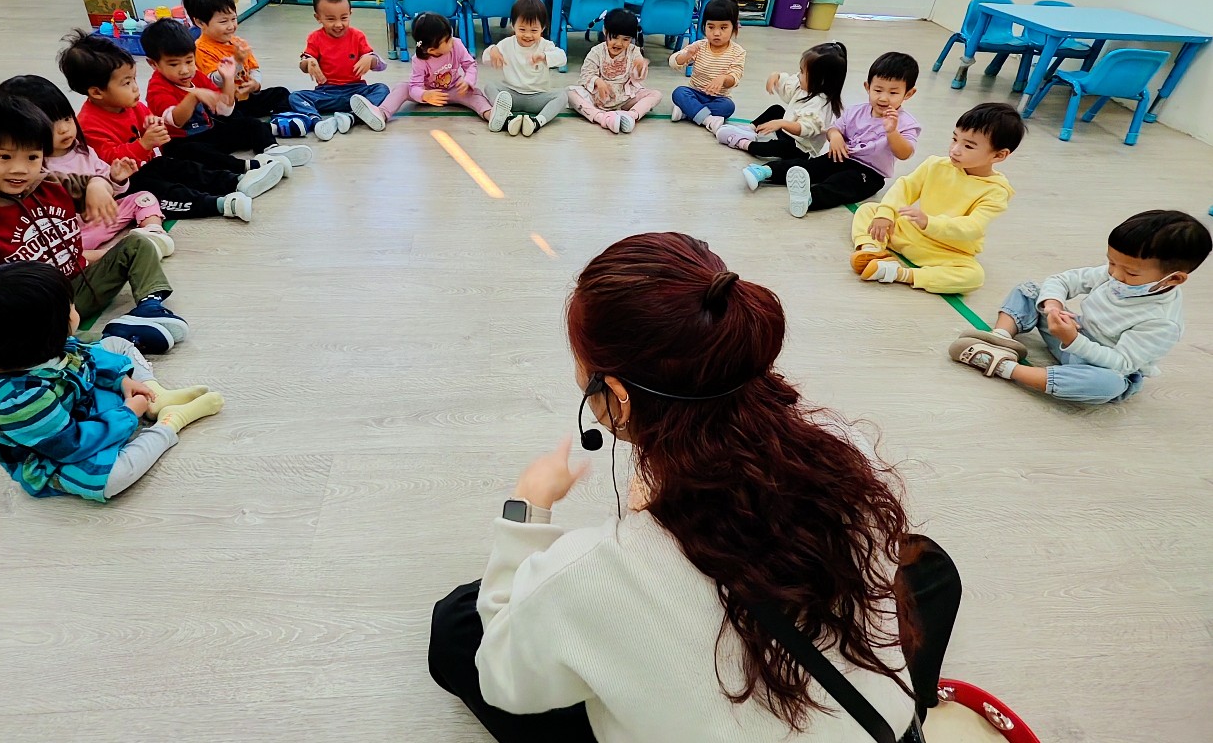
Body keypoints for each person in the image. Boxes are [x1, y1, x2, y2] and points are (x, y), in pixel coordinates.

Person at [428, 232, 929, 743]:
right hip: (883, 727)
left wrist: (528, 507)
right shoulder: (848, 452)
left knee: (459, 625)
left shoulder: (596, 570)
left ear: (616, 395)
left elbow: (503, 680)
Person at [0, 89, 188, 354]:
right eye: (4, 157)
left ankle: (149, 306)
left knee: (137, 244)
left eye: (33, 157)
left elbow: (92, 182)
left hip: (81, 286)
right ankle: (113, 340)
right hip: (35, 311)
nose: (20, 169)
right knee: (21, 337)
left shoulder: (49, 183)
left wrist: (97, 185)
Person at [0, 262, 224, 502]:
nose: (74, 308)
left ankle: (154, 396)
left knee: (115, 345)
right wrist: (128, 414)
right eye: (69, 306)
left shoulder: (24, 351)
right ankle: (169, 422)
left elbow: (83, 357)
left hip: (74, 403)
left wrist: (120, 381)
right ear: (44, 334)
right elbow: (72, 445)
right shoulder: (20, 403)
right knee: (111, 480)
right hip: (57, 453)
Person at [949, 210, 1211, 403]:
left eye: (1130, 273)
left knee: (1109, 386)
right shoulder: (1115, 273)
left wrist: (1073, 340)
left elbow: (1121, 363)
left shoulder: (1162, 322)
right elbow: (1062, 280)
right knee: (1031, 290)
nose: (1115, 274)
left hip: (1100, 364)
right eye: (1111, 262)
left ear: (1174, 279)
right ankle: (1001, 337)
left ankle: (1005, 367)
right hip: (1074, 332)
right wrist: (1053, 306)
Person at [61, 30, 255, 222]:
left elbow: (150, 120)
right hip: (127, 185)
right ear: (96, 92)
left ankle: (236, 181)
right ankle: (219, 204)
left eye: (134, 79)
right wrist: (144, 144)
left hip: (151, 164)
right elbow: (110, 163)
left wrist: (154, 124)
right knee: (166, 191)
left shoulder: (131, 105)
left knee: (185, 169)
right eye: (126, 83)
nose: (135, 87)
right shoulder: (88, 124)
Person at [851, 102, 1024, 294]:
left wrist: (929, 222)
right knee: (870, 210)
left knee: (973, 276)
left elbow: (973, 227)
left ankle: (900, 274)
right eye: (954, 139)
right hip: (910, 231)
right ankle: (872, 250)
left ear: (999, 155)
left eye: (968, 146)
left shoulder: (996, 191)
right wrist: (885, 214)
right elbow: (905, 188)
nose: (955, 149)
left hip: (946, 250)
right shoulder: (936, 164)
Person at [0, 75, 174, 261]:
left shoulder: (82, 150)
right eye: (50, 125)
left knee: (143, 197)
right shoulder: (32, 168)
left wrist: (116, 178)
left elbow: (108, 189)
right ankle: (115, 254)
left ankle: (154, 232)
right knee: (56, 254)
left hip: (103, 218)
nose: (64, 129)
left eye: (67, 118)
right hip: (70, 233)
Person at [744, 51, 921, 218]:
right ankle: (765, 171)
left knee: (842, 184)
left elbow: (904, 153)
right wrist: (835, 136)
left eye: (893, 92)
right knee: (811, 166)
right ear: (867, 87)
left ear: (909, 93)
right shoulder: (856, 111)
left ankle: (809, 198)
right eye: (878, 90)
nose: (883, 98)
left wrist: (892, 132)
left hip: (870, 173)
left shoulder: (907, 123)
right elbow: (833, 129)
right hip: (841, 156)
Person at [142, 18, 310, 189]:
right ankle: (248, 168)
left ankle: (271, 149)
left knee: (250, 124)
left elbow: (225, 110)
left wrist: (228, 79)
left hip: (208, 132)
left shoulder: (196, 76)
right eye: (173, 64)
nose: (184, 70)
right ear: (153, 64)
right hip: (180, 143)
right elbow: (177, 121)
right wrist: (194, 96)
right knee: (196, 153)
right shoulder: (157, 88)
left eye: (189, 61)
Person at [355, 12, 493, 130]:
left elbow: (470, 65)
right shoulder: (419, 60)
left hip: (455, 90)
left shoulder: (456, 44)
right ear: (431, 50)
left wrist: (467, 81)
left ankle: (490, 114)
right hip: (429, 92)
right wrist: (424, 95)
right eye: (447, 40)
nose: (452, 41)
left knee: (475, 93)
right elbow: (415, 86)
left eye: (450, 36)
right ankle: (381, 113)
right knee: (402, 88)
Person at [289, 0, 391, 141]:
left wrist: (370, 59)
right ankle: (317, 122)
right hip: (326, 93)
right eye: (330, 19)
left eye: (344, 18)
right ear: (318, 18)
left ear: (350, 13)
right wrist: (308, 62)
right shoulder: (315, 38)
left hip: (356, 92)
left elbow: (379, 64)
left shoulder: (357, 36)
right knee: (295, 97)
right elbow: (304, 64)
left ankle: (350, 117)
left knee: (382, 89)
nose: (338, 24)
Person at [181, 0, 294, 122]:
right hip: (227, 104)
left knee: (281, 93)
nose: (231, 26)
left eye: (233, 19)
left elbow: (254, 68)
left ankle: (284, 120)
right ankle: (268, 127)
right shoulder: (200, 49)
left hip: (247, 97)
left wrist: (255, 84)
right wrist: (236, 62)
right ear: (200, 23)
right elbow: (215, 81)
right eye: (223, 22)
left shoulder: (237, 42)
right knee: (237, 120)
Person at [714, 42, 847, 157]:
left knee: (780, 146)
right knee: (776, 110)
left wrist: (781, 123)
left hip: (800, 147)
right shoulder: (806, 87)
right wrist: (776, 76)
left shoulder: (819, 105)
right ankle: (750, 129)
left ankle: (743, 143)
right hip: (787, 131)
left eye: (802, 72)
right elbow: (789, 88)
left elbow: (804, 130)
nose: (798, 75)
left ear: (820, 80)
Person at [482, 0, 568, 137]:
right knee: (489, 86)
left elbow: (562, 58)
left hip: (537, 96)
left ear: (543, 28)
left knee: (562, 96)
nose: (528, 35)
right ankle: (509, 119)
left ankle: (536, 122)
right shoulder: (506, 44)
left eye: (534, 30)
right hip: (511, 95)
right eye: (522, 29)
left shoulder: (545, 45)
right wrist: (492, 50)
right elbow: (485, 60)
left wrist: (545, 56)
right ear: (513, 25)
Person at [567, 8, 661, 134]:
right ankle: (601, 117)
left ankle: (630, 116)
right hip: (598, 98)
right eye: (615, 37)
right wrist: (598, 81)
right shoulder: (596, 51)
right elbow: (586, 74)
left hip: (625, 99)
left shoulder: (634, 51)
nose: (619, 43)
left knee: (655, 95)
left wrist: (640, 67)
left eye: (626, 39)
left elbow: (637, 78)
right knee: (570, 94)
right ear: (605, 31)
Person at [667, 0, 746, 126]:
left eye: (723, 27)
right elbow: (673, 63)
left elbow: (734, 78)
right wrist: (687, 55)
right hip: (695, 93)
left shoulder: (738, 52)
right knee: (679, 92)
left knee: (728, 107)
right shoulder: (700, 46)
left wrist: (723, 78)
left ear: (734, 27)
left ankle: (688, 112)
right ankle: (707, 119)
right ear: (704, 26)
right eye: (711, 27)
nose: (716, 33)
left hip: (718, 98)